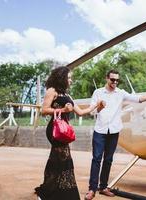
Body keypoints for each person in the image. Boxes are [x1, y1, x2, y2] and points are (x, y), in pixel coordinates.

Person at [35, 66, 104, 200]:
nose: (71, 80)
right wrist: (63, 110)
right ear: (62, 78)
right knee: (63, 160)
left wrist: (96, 106)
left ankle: (48, 192)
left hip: (64, 131)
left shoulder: (67, 95)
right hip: (55, 130)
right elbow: (44, 110)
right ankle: (52, 194)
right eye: (69, 77)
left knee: (57, 161)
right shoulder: (52, 91)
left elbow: (81, 112)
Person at [84, 69, 146, 200]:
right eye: (112, 80)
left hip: (114, 131)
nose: (115, 82)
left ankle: (103, 187)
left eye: (117, 80)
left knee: (108, 160)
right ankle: (92, 189)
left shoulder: (120, 93)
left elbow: (137, 98)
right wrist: (100, 107)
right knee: (96, 159)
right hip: (100, 131)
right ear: (106, 78)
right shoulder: (98, 92)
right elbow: (92, 112)